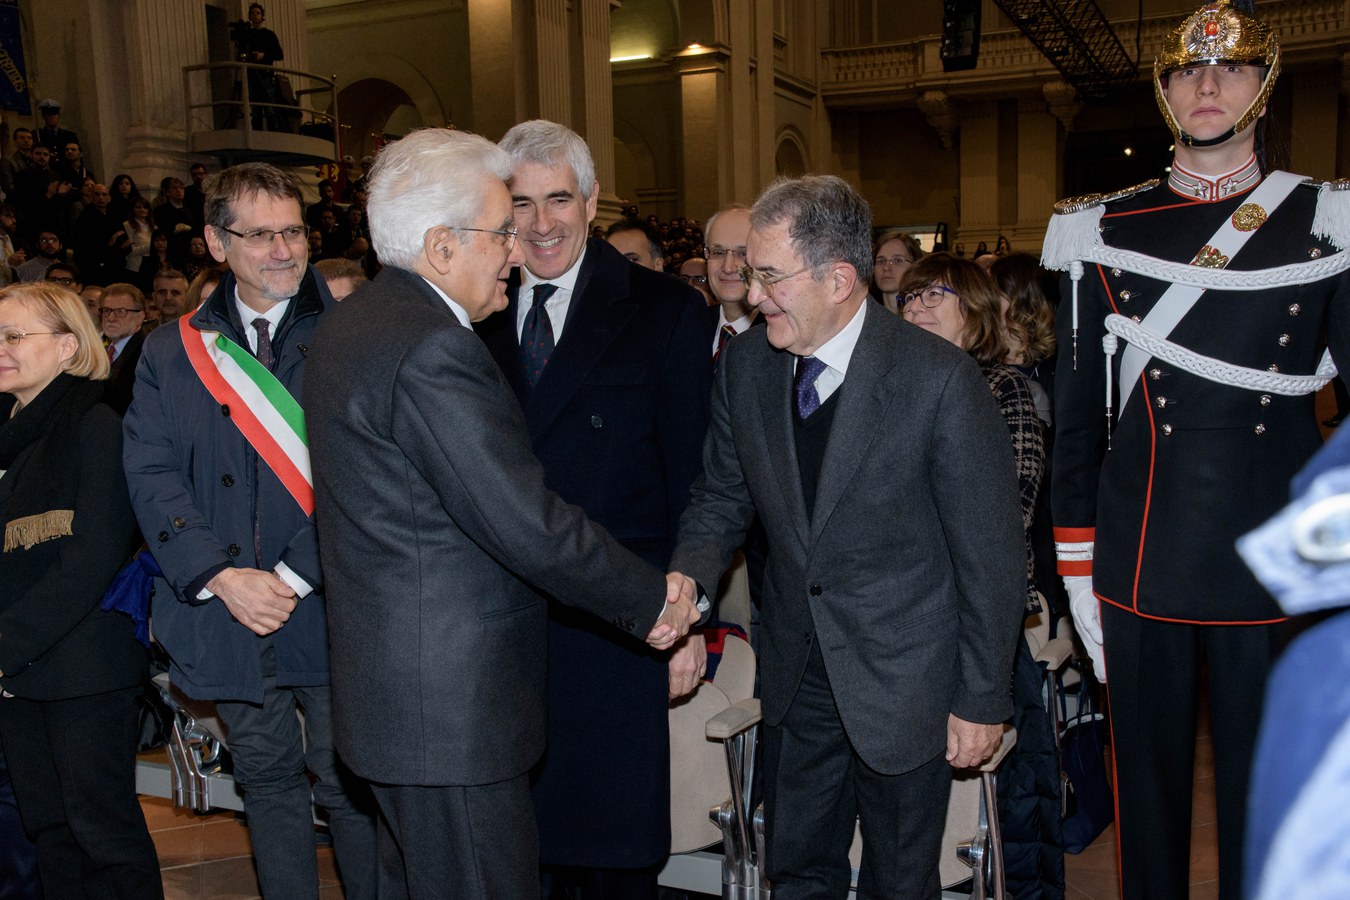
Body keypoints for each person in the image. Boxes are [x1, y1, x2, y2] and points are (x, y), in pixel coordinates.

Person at [303, 127, 700, 900]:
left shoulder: (355, 323)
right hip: (450, 716)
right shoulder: (432, 348)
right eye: (500, 231)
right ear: (442, 246)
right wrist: (653, 598)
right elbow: (524, 520)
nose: (516, 251)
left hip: (400, 706)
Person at [1039, 2, 1350, 896]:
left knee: (1267, 802)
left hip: (1275, 561)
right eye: (1187, 71)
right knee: (1147, 807)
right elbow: (1076, 428)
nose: (1208, 84)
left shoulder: (1326, 219)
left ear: (1265, 86)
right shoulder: (1099, 229)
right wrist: (1077, 574)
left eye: (1232, 67)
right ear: (1165, 90)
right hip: (1143, 560)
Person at [668, 175, 1026, 898]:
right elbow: (721, 497)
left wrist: (983, 697)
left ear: (837, 279)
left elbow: (991, 557)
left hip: (906, 682)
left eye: (770, 276)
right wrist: (688, 588)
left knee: (899, 881)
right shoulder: (748, 366)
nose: (751, 294)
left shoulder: (938, 379)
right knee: (798, 871)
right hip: (795, 673)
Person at [122, 162, 378, 900]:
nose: (282, 250)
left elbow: (370, 472)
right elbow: (150, 472)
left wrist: (291, 577)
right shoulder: (171, 349)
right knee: (264, 777)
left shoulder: (354, 333)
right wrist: (221, 577)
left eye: (293, 231)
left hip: (331, 599)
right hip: (227, 607)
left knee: (349, 782)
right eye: (260, 235)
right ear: (216, 242)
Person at [475, 119, 712, 899]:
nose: (541, 223)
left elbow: (697, 479)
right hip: (503, 625)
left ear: (592, 200)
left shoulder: (666, 309)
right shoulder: (473, 311)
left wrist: (685, 618)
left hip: (619, 622)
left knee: (612, 853)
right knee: (521, 854)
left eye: (559, 199)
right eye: (521, 203)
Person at [898, 254, 1065, 895]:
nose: (915, 307)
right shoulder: (891, 387)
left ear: (973, 310)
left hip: (976, 622)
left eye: (932, 295)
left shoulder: (1004, 390)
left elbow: (1009, 515)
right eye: (908, 298)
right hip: (904, 623)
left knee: (1003, 798)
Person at [0, 282, 163, 898]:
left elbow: (89, 561)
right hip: (20, 670)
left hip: (82, 668)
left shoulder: (96, 425)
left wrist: (4, 645)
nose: (1, 349)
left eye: (14, 336)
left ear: (68, 346)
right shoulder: (12, 431)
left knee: (102, 835)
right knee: (50, 832)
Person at [704, 204, 755, 361]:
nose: (728, 267)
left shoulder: (782, 336)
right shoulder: (690, 327)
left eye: (743, 253)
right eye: (718, 252)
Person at [99, 282, 148, 415]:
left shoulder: (145, 354)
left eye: (121, 312)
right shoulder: (97, 347)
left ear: (139, 318)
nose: (111, 318)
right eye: (106, 310)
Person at [870, 228, 923, 314]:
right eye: (881, 261)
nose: (886, 267)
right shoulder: (867, 315)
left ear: (915, 266)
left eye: (898, 260)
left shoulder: (923, 317)